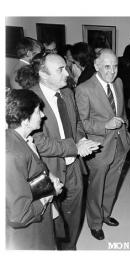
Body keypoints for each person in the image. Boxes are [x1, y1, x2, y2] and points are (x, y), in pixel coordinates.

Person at [29, 52, 100, 250]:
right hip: (47, 170)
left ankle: (68, 249)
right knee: (48, 219)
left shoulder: (67, 93)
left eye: (66, 67)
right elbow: (38, 141)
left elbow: (76, 124)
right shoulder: (31, 99)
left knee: (74, 213)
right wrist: (74, 147)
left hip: (74, 167)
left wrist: (82, 142)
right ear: (43, 74)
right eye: (60, 69)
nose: (67, 73)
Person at [75, 48, 130, 240]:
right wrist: (105, 125)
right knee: (96, 188)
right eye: (107, 66)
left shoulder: (119, 82)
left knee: (112, 184)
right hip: (98, 147)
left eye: (115, 66)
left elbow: (122, 111)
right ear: (96, 66)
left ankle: (105, 214)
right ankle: (95, 222)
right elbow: (81, 123)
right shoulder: (84, 89)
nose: (112, 71)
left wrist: (126, 129)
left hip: (120, 144)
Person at [6, 89, 64, 250]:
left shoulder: (20, 140)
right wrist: (49, 193)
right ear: (25, 120)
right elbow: (20, 215)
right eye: (38, 111)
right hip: (29, 233)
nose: (43, 115)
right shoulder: (12, 155)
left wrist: (48, 176)